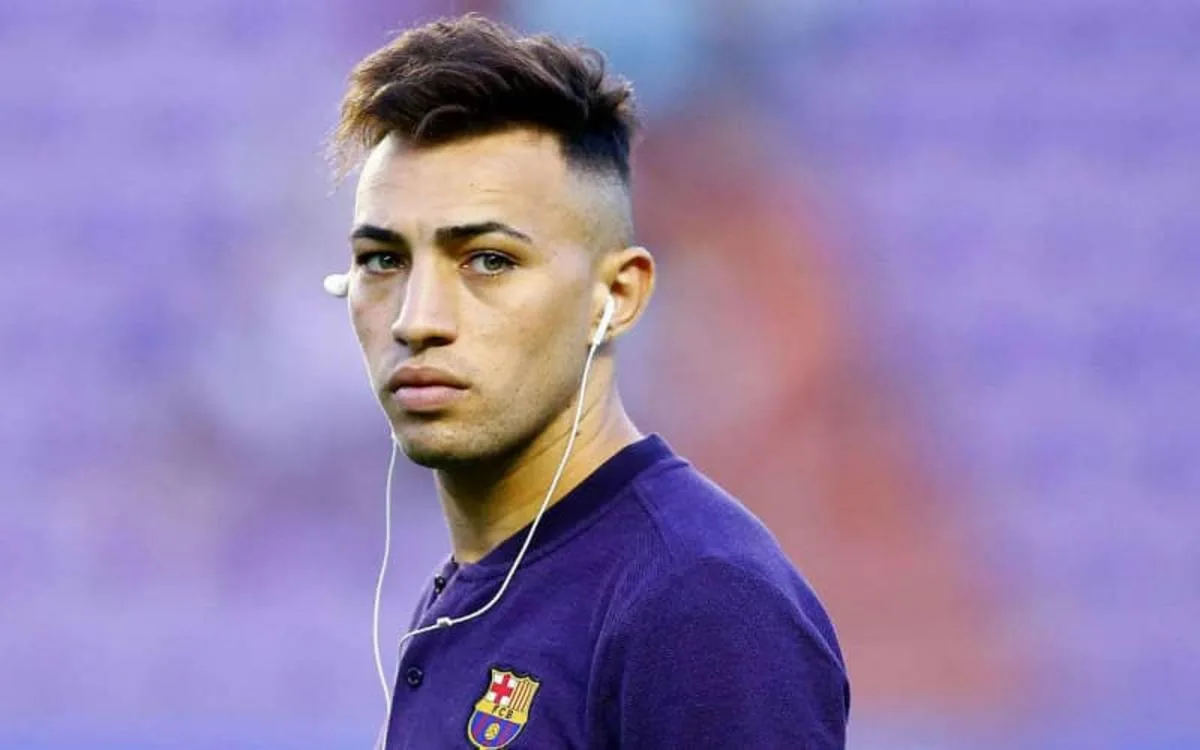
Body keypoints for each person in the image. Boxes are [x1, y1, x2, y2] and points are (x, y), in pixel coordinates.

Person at [325, 13, 849, 749]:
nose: (417, 319)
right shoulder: (489, 584)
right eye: (383, 260)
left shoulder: (696, 601)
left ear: (617, 297)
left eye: (489, 260)